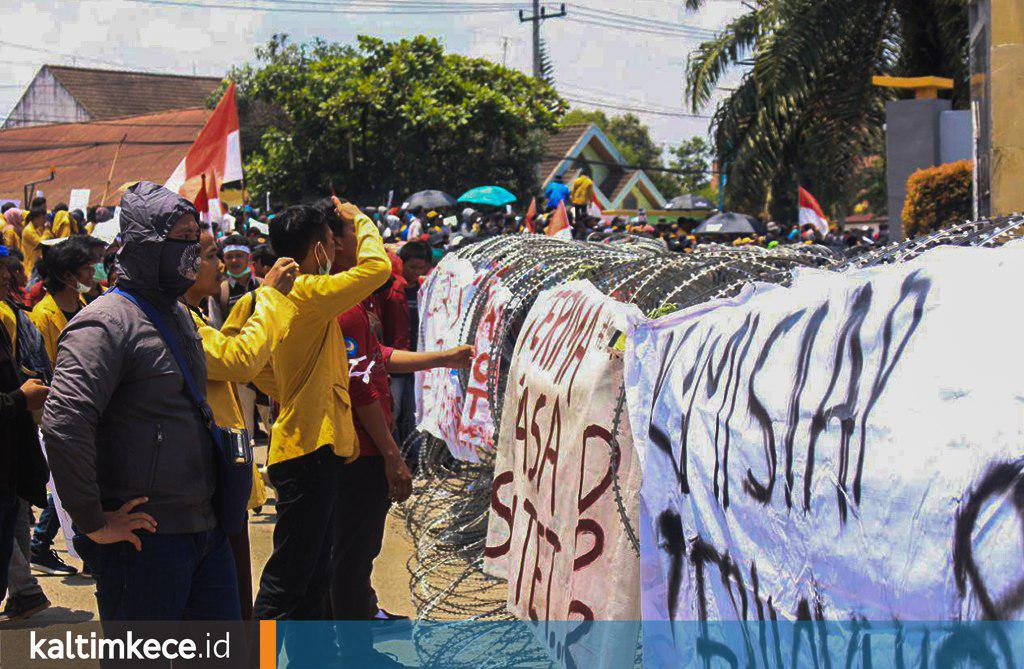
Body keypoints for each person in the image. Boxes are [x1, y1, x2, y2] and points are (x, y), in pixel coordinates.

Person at [43, 181, 240, 621]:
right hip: (147, 544)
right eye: (182, 240)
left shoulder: (179, 315)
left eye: (197, 240)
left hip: (205, 530)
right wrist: (93, 522)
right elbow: (64, 423)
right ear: (148, 246)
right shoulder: (104, 324)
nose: (193, 252)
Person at [252, 197, 390, 664]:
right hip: (307, 450)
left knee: (311, 577)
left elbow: (256, 368)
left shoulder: (286, 294)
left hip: (311, 447)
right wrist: (360, 220)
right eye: (333, 240)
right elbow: (377, 269)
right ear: (317, 250)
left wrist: (293, 390)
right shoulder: (308, 290)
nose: (338, 247)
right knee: (288, 579)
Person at [330, 216, 472, 654]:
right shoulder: (344, 305)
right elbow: (362, 386)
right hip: (358, 449)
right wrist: (392, 454)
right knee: (350, 556)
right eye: (360, 236)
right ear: (333, 243)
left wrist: (440, 358)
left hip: (352, 446)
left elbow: (377, 356)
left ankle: (346, 642)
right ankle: (353, 653)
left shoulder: (343, 301)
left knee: (348, 555)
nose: (376, 251)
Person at [182, 224, 299, 620]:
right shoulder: (180, 321)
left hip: (220, 486)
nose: (220, 264)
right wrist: (268, 297)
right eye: (212, 255)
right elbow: (235, 360)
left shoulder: (192, 313)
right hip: (208, 489)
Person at [0, 260, 50, 618]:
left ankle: (24, 591)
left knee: (13, 521)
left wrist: (23, 385)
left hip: (10, 449)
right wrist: (19, 396)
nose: (6, 279)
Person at [20, 208, 50, 280]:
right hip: (31, 264)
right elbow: (41, 243)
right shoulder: (28, 230)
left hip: (36, 261)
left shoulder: (36, 229)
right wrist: (47, 230)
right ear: (36, 218)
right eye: (42, 218)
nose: (44, 220)